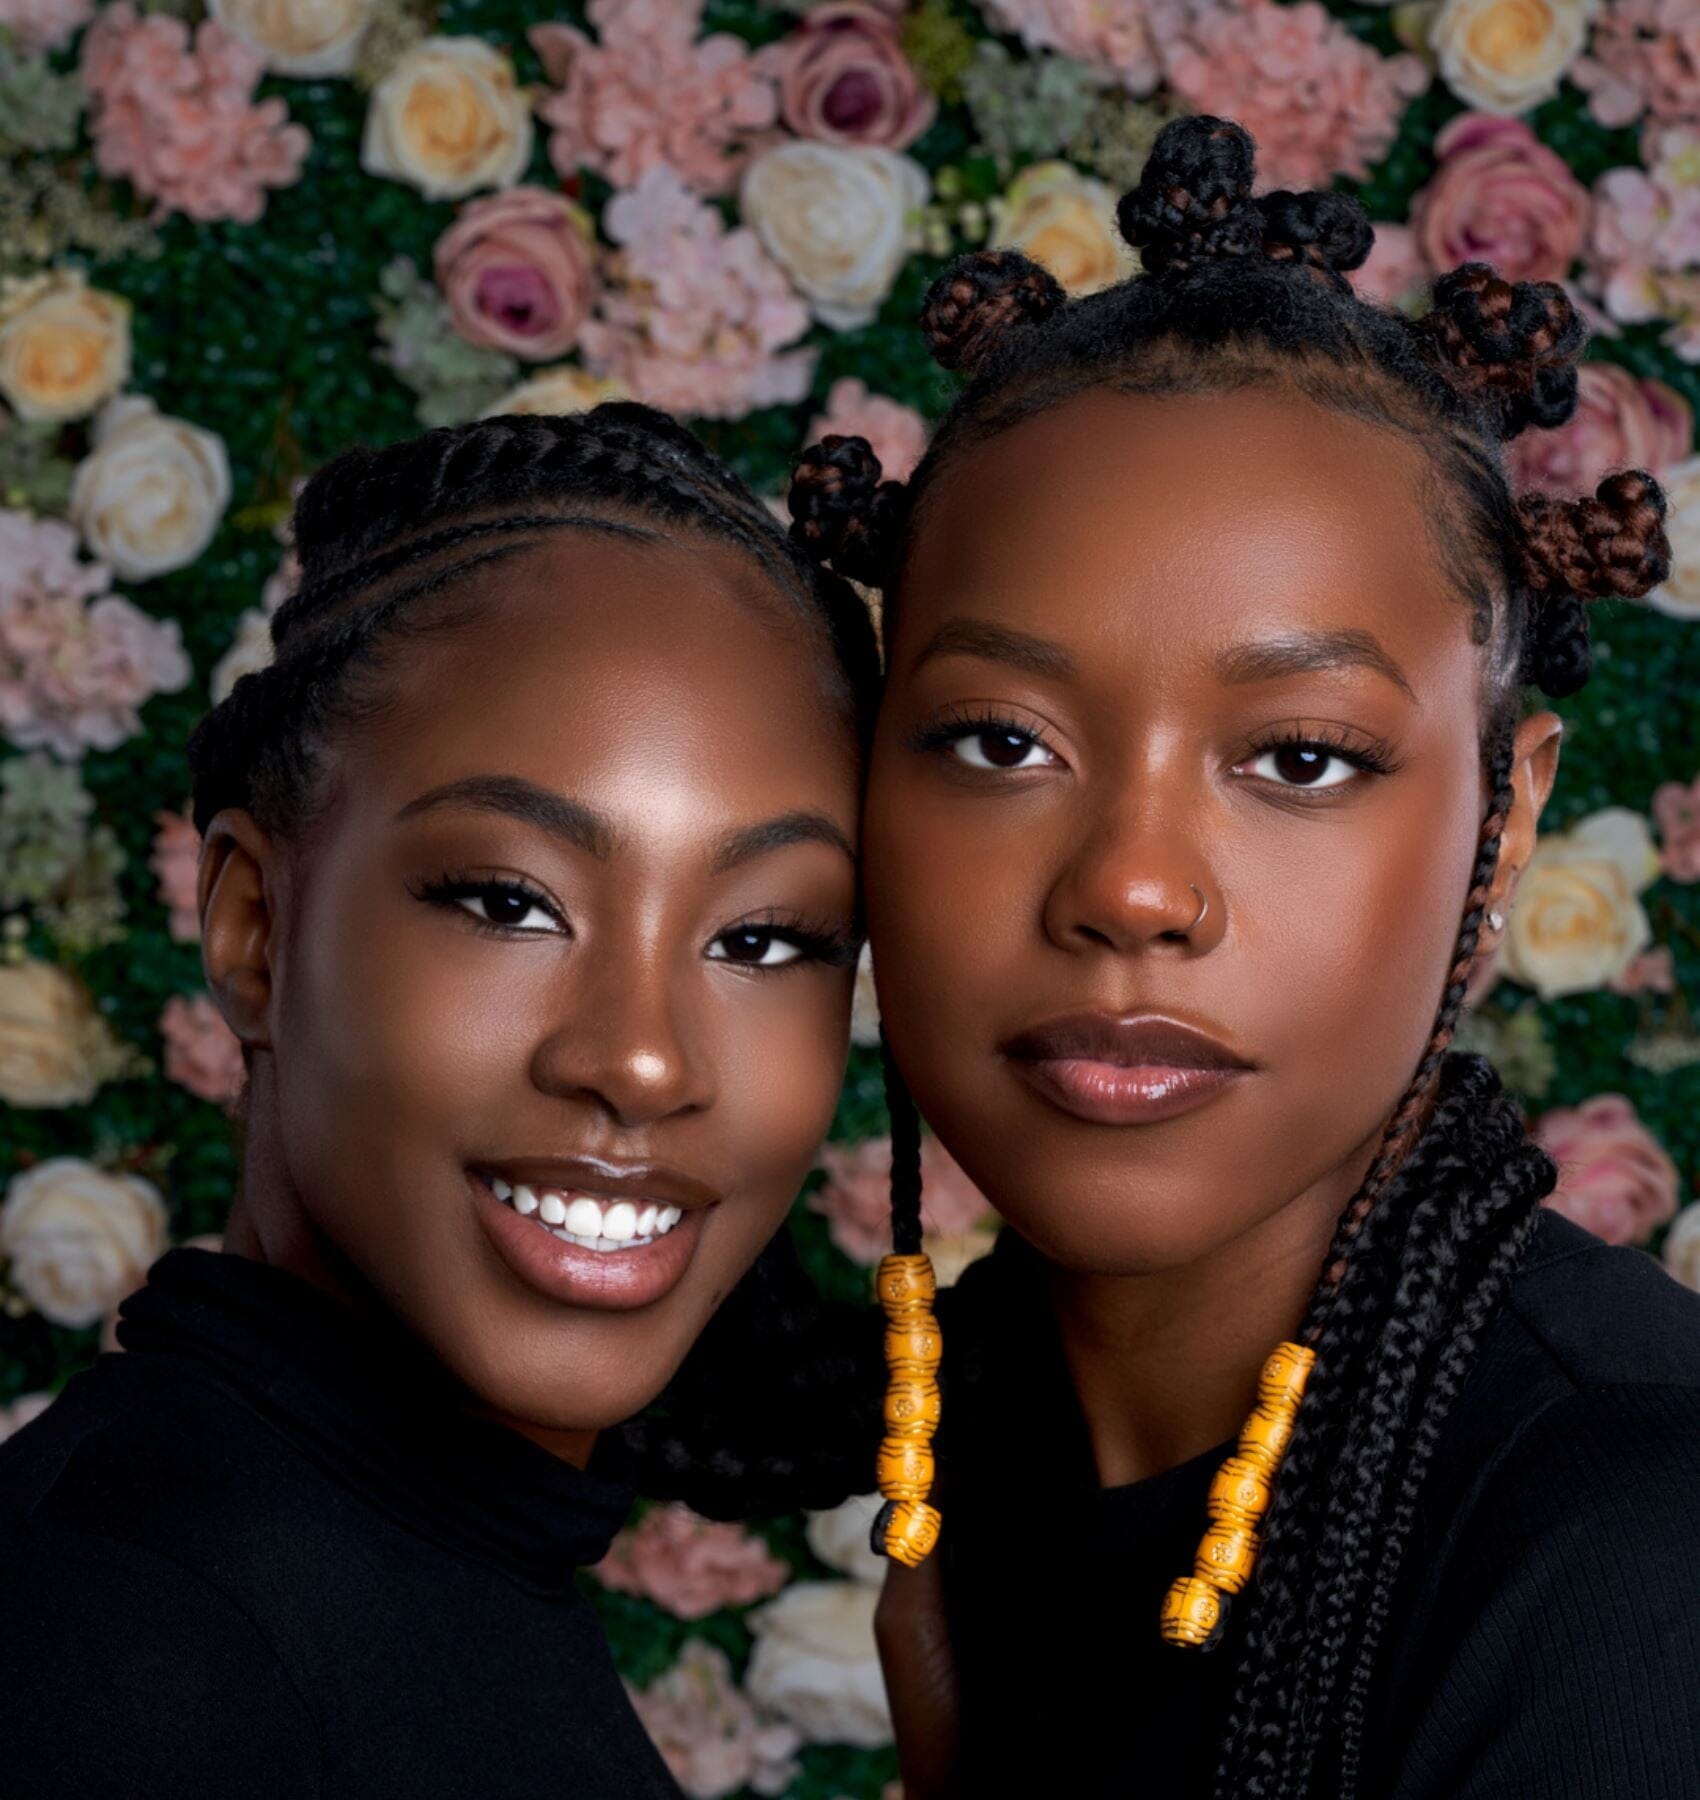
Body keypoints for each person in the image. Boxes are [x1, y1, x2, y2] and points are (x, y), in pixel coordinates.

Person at [783, 115, 1700, 1798]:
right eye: (998, 742)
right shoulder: (984, 1419)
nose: (1131, 890)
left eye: (1297, 759)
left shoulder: (1635, 1542)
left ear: (1505, 818)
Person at [0, 403, 879, 1799]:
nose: (644, 1060)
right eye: (509, 902)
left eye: (765, 940)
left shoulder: (376, 1580)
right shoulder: (124, 1658)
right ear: (252, 932)